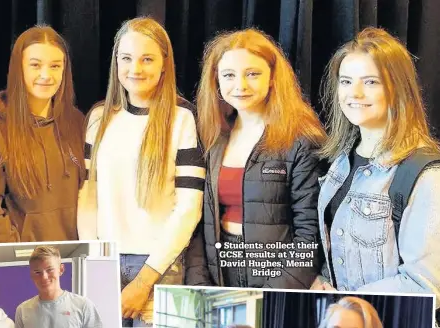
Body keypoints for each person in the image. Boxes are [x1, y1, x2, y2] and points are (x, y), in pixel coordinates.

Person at [77, 17, 205, 326]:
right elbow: (88, 197)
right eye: (127, 58)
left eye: (147, 58)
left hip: (159, 266)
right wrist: (95, 259)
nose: (136, 69)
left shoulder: (182, 118)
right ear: (116, 62)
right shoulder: (99, 118)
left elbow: (189, 209)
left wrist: (145, 280)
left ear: (164, 64)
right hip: (104, 260)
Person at [185, 29, 326, 289]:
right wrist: (200, 286)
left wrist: (272, 295)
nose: (240, 85)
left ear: (273, 77)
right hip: (220, 275)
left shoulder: (301, 140)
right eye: (229, 75)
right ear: (216, 81)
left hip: (278, 278)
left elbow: (310, 237)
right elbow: (198, 224)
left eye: (253, 74)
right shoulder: (213, 137)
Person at [311, 27, 440, 300]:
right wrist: (321, 281)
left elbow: (424, 285)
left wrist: (346, 303)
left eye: (371, 82)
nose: (354, 93)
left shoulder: (426, 174)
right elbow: (342, 252)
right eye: (346, 81)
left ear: (397, 89)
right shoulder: (341, 162)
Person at [0, 25, 85, 243]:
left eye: (55, 66)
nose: (45, 75)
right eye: (35, 65)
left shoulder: (77, 122)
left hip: (76, 257)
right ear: (18, 68)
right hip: (28, 264)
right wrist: (20, 258)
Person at [14, 246, 102, 328]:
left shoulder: (83, 306)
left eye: (50, 270)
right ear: (31, 274)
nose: (44, 277)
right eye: (37, 272)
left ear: (61, 269)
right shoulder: (22, 311)